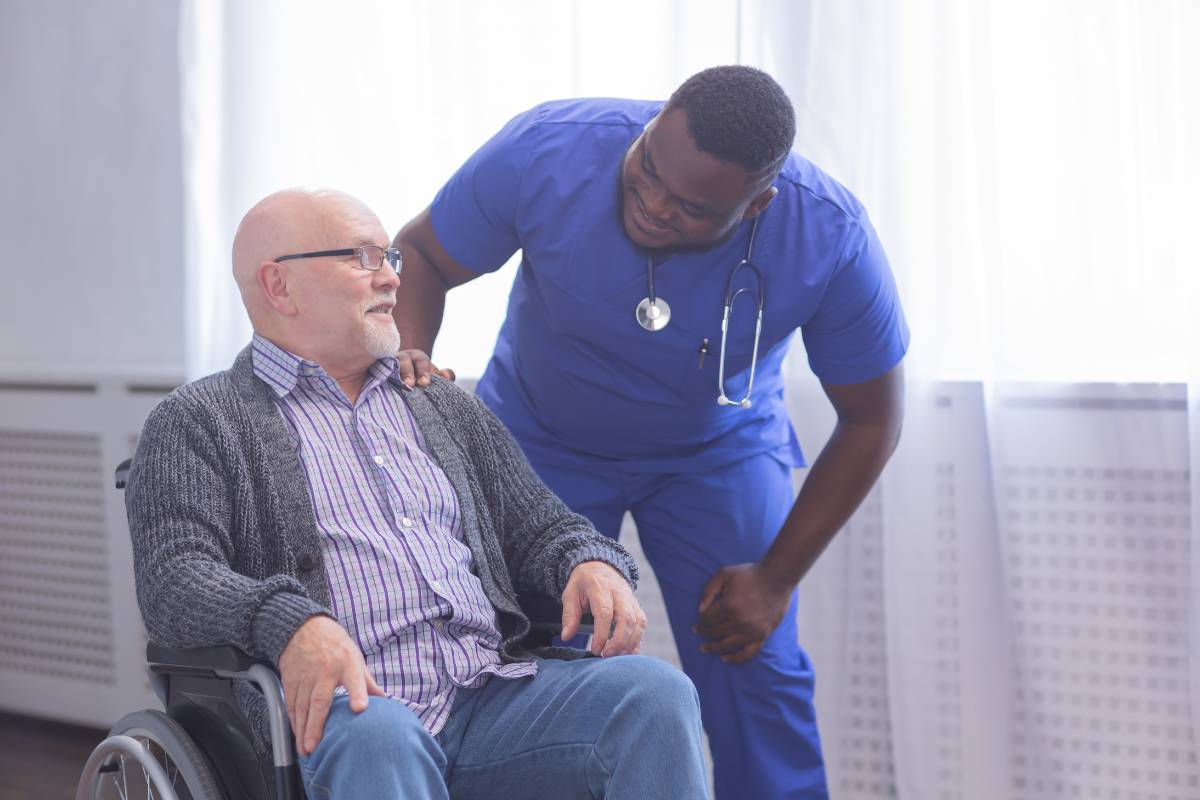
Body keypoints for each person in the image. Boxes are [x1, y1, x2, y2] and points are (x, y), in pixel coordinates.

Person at [391, 65, 908, 798]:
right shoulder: (549, 151)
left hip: (715, 455)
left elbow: (873, 418)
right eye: (647, 171)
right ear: (654, 123)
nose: (655, 205)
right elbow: (422, 255)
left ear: (757, 203)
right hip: (540, 443)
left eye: (691, 206)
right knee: (531, 655)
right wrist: (411, 361)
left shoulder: (829, 235)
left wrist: (776, 578)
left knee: (752, 661)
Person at [125, 187, 709, 799]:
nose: (392, 280)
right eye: (364, 258)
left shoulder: (441, 404)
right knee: (380, 737)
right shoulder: (199, 419)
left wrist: (589, 562)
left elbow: (542, 527)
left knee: (654, 693)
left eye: (392, 260)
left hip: (489, 695)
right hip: (346, 714)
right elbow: (175, 579)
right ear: (279, 286)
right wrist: (291, 624)